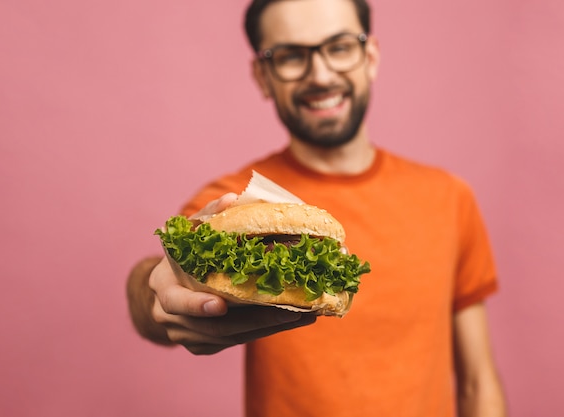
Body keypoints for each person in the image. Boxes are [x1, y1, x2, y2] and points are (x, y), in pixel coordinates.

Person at [126, 0, 508, 416]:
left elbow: (477, 381)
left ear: (370, 56)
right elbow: (155, 281)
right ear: (263, 76)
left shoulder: (449, 197)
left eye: (340, 46)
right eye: (291, 56)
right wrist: (156, 293)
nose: (321, 75)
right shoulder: (236, 201)